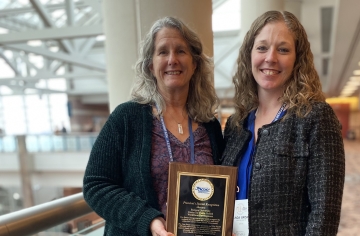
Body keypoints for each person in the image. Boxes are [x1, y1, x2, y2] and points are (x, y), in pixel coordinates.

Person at [83, 17, 224, 236]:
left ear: (195, 63)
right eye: (162, 52)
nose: (172, 60)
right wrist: (148, 220)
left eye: (181, 51)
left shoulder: (209, 124)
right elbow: (96, 185)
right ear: (151, 65)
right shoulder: (127, 118)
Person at [221, 11, 345, 235]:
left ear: (298, 58)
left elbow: (324, 216)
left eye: (283, 49)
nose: (270, 58)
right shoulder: (235, 124)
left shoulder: (315, 117)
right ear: (249, 54)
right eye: (262, 47)